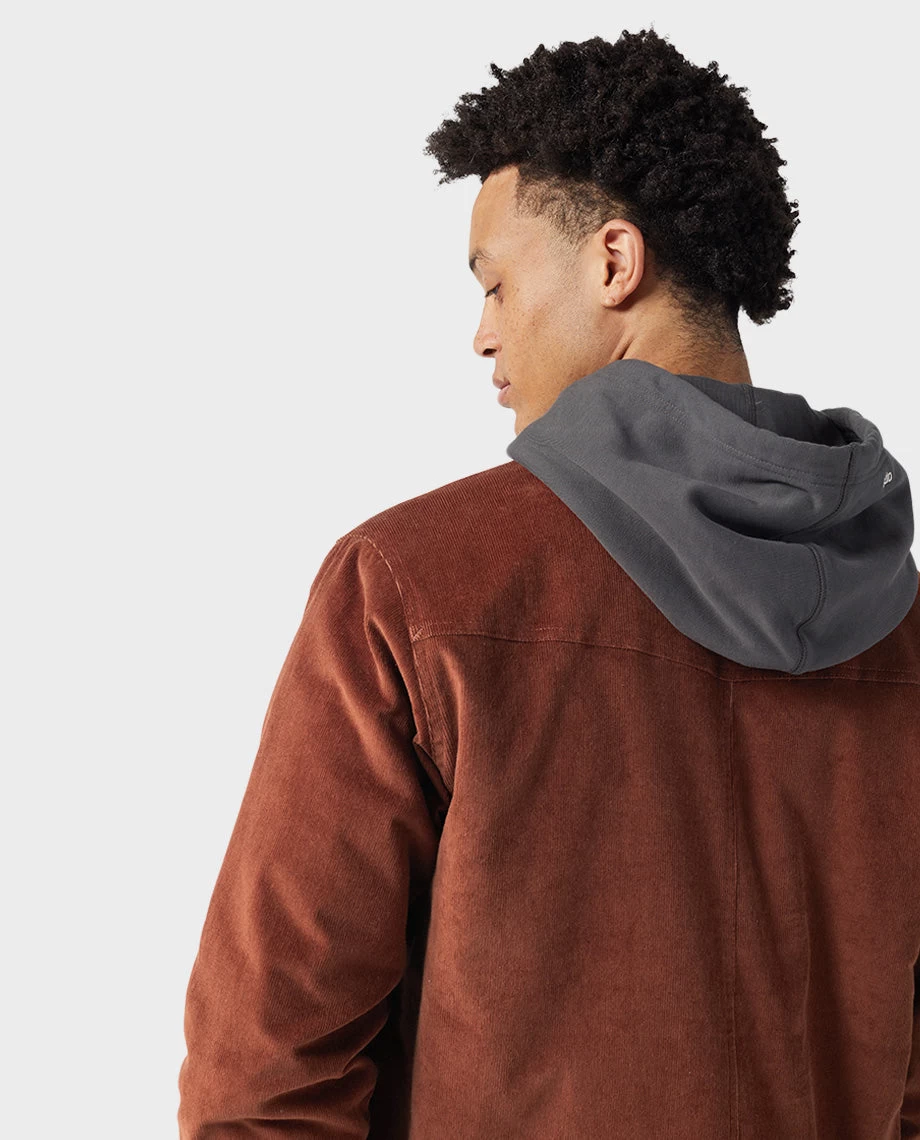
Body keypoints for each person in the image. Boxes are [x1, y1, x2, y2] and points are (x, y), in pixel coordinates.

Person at [177, 29, 920, 1138]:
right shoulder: (900, 626)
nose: (480, 335)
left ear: (613, 262)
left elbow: (264, 1080)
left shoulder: (411, 586)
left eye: (495, 283)